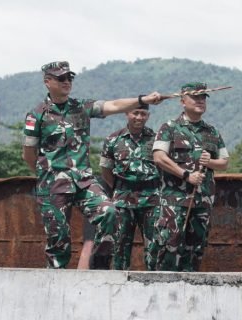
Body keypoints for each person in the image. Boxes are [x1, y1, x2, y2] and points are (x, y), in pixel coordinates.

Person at [22, 61, 164, 269]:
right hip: (53, 185)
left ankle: (100, 263)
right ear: (47, 82)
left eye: (69, 78)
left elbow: (114, 106)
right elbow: (28, 154)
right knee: (58, 240)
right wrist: (47, 177)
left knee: (108, 211)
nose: (67, 82)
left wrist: (142, 100)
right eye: (61, 78)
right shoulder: (37, 115)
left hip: (83, 182)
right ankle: (55, 281)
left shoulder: (82, 107)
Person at [152, 82, 229, 271]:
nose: (200, 101)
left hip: (202, 200)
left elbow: (225, 162)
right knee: (169, 244)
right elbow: (159, 157)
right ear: (183, 101)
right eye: (196, 97)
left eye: (203, 97)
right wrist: (186, 175)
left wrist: (209, 162)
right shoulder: (169, 127)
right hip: (174, 200)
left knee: (196, 247)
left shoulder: (212, 132)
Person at [100, 103, 161, 270]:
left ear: (148, 115)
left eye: (143, 113)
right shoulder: (113, 139)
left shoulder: (156, 140)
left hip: (151, 199)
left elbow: (163, 167)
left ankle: (154, 283)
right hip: (123, 200)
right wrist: (121, 188)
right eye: (135, 113)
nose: (139, 117)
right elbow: (106, 170)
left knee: (155, 246)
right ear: (127, 113)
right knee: (119, 246)